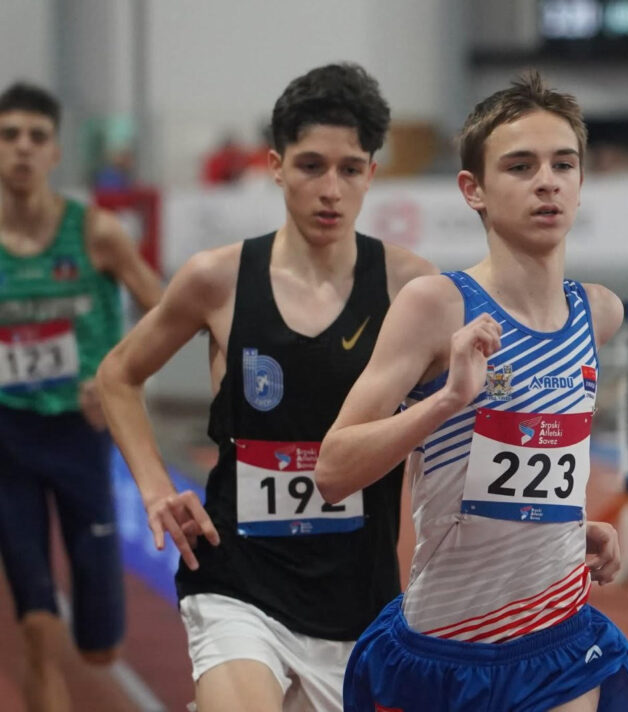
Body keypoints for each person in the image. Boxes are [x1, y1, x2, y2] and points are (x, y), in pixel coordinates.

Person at [96, 63, 436, 712]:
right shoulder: (217, 279)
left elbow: (463, 419)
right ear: (276, 167)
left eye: (350, 169)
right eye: (311, 166)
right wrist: (156, 488)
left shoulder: (410, 288)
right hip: (237, 584)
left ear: (372, 172)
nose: (330, 190)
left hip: (358, 602)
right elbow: (118, 375)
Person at [315, 71, 628, 712]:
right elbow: (332, 472)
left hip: (558, 647)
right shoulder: (437, 306)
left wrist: (567, 528)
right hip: (447, 654)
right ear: (474, 190)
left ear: (581, 183)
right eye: (520, 167)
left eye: (563, 164)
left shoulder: (598, 313)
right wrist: (446, 401)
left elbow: (528, 467)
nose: (547, 181)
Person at [0, 81, 162, 712]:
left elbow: (165, 311)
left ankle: (89, 638)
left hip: (79, 434)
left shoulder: (96, 232)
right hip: (7, 437)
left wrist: (118, 375)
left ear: (55, 151)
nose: (22, 147)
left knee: (99, 648)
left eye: (36, 136)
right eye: (9, 135)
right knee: (37, 623)